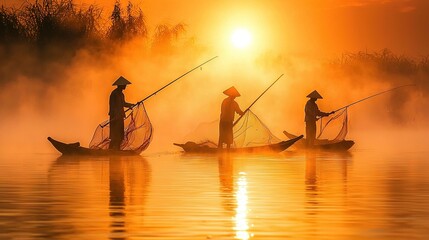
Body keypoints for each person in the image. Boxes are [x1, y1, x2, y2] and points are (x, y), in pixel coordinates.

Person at [109, 76, 135, 150]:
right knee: (114, 136)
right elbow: (113, 106)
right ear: (120, 85)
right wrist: (115, 115)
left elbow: (123, 103)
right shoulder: (114, 94)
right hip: (115, 117)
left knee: (120, 136)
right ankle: (110, 151)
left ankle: (117, 150)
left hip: (120, 117)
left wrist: (131, 105)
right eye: (124, 85)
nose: (125, 86)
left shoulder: (121, 94)